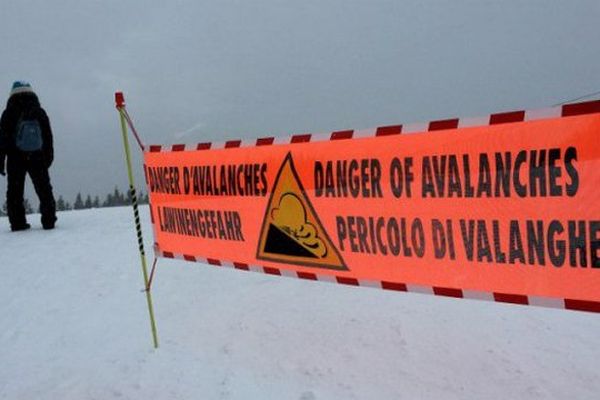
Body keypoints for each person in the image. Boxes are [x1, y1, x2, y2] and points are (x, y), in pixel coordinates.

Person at [0, 81, 56, 231]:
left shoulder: (8, 113)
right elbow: (48, 136)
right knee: (44, 189)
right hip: (37, 156)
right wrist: (48, 157)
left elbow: (2, 139)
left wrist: (1, 161)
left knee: (14, 191)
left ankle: (17, 223)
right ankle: (49, 220)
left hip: (15, 157)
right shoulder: (39, 111)